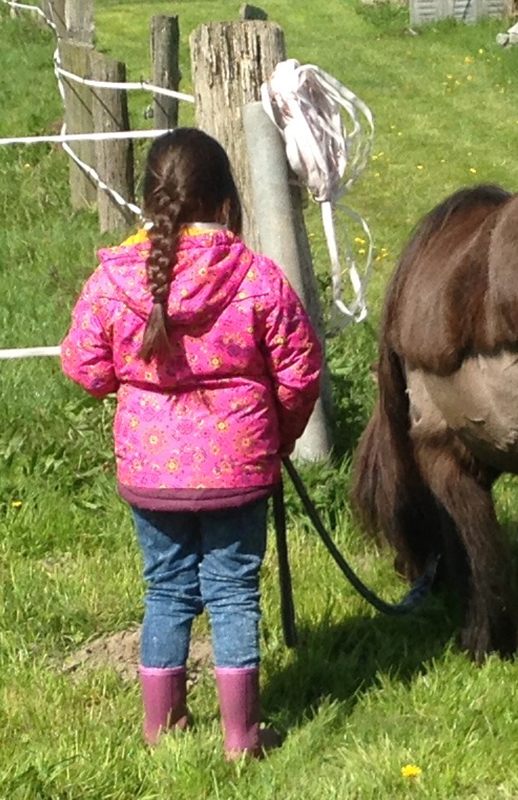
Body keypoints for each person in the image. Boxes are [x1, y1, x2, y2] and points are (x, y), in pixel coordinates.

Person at [61, 128, 322, 759]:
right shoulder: (259, 278)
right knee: (233, 593)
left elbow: (84, 367)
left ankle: (162, 730)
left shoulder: (114, 280)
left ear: (149, 201)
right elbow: (300, 372)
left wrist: (131, 384)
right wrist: (278, 437)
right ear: (227, 203)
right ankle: (242, 737)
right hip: (239, 470)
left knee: (167, 589)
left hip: (151, 474)